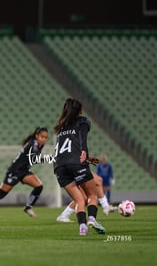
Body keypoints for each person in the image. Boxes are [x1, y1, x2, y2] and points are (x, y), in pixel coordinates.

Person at [53, 98, 106, 235]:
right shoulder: (83, 121)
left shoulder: (60, 126)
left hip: (59, 167)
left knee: (79, 200)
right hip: (76, 163)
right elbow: (83, 140)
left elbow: (68, 149)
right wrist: (85, 154)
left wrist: (86, 159)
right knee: (92, 195)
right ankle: (92, 220)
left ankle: (82, 227)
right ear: (79, 110)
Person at [0, 127, 48, 222]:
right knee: (1, 194)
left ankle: (28, 207)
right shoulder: (33, 144)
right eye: (42, 136)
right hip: (14, 171)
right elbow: (34, 160)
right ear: (36, 136)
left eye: (46, 137)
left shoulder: (39, 145)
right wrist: (50, 159)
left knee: (39, 186)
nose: (44, 139)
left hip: (24, 171)